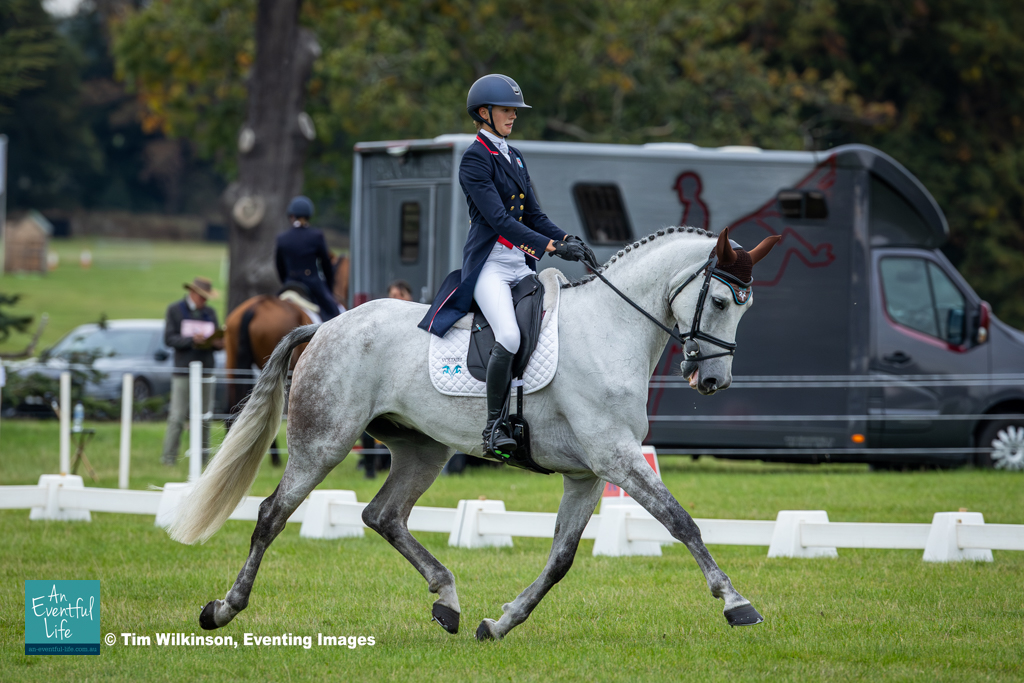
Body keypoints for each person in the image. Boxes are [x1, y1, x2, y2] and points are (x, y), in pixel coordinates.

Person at [418, 74, 591, 457]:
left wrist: (565, 239)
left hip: (520, 263)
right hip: (490, 266)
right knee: (509, 337)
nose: (513, 116)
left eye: (515, 110)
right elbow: (500, 220)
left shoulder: (513, 155)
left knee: (549, 330)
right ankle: (493, 427)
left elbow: (533, 214)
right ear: (484, 113)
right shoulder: (475, 159)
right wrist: (548, 245)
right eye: (507, 110)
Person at [161, 277, 224, 466]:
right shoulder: (175, 310)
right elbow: (169, 339)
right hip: (183, 370)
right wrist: (191, 341)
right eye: (202, 297)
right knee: (177, 416)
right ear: (193, 293)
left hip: (206, 369)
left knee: (205, 416)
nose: (205, 301)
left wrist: (216, 342)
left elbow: (217, 340)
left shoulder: (210, 312)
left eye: (206, 298)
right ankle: (168, 458)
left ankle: (203, 459)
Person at [274, 195, 341, 321]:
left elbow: (280, 267)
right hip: (312, 284)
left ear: (291, 216)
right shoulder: (316, 236)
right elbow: (326, 264)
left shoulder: (282, 238)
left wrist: (287, 281)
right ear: (309, 215)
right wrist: (328, 287)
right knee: (334, 316)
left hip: (290, 284)